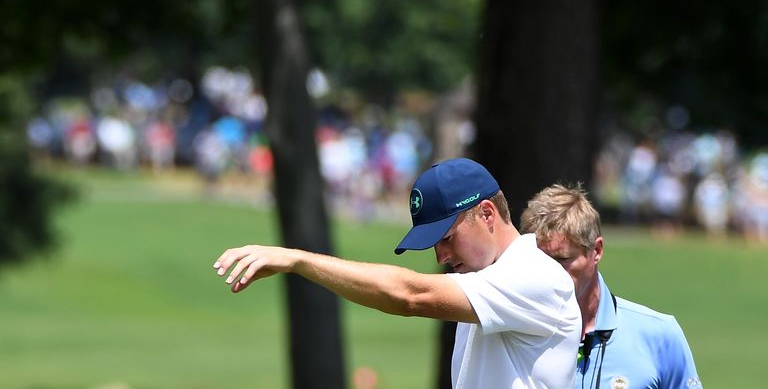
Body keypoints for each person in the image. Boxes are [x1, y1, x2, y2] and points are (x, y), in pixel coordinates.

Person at [213, 158, 581, 388]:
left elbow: (409, 296)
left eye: (447, 237)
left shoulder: (533, 274)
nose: (440, 256)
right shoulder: (488, 278)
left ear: (486, 214)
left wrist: (297, 260)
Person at [520, 184, 703, 389]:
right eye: (539, 260)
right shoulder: (511, 332)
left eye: (562, 259)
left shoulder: (659, 335)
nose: (549, 273)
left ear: (596, 250)